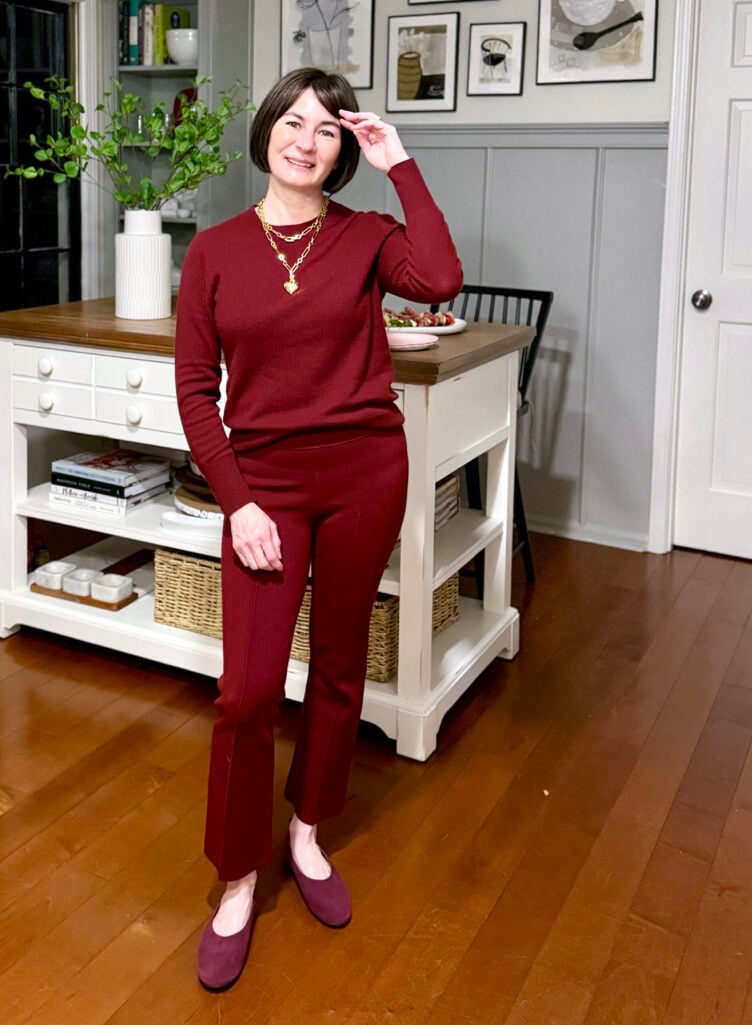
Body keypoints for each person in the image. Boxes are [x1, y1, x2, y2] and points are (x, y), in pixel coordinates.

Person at [174, 66, 462, 991]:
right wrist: (238, 500)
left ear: (342, 153)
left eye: (326, 131)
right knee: (247, 691)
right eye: (290, 122)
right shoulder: (213, 252)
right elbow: (193, 390)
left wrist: (399, 162)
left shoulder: (370, 236)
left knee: (339, 665)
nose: (305, 139)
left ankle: (306, 831)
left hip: (365, 472)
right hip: (264, 485)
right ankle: (235, 874)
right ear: (265, 134)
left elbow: (443, 278)